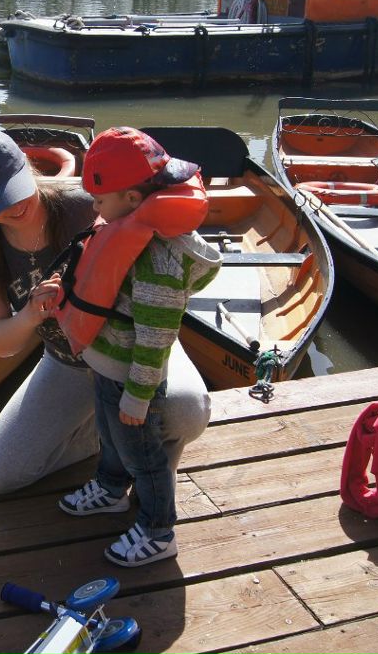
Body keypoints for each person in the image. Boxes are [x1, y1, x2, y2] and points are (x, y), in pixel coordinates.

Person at [0, 130, 212, 498]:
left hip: (133, 348)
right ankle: (114, 440)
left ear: (28, 168)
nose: (12, 208)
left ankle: (142, 461)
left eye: (14, 189)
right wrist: (29, 314)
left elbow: (173, 255)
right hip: (67, 362)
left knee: (188, 410)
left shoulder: (90, 206)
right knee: (0, 475)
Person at [55, 127, 220, 566]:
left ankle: (158, 529)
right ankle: (110, 490)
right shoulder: (124, 225)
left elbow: (156, 337)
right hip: (109, 368)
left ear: (131, 198)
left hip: (133, 378)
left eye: (100, 200)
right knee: (109, 439)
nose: (93, 208)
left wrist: (139, 394)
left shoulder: (160, 260)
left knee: (144, 458)